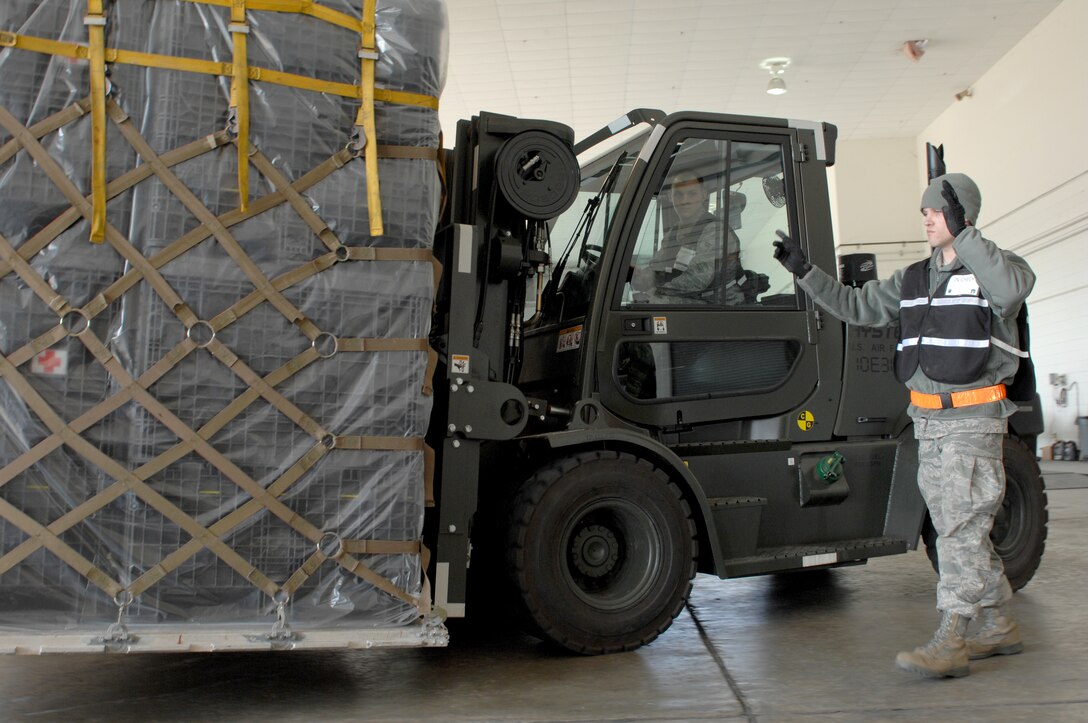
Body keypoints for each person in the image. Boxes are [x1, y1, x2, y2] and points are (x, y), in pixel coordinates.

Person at [772, 173, 1035, 679]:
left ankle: (952, 637)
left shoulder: (997, 270)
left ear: (961, 215)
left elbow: (1013, 292)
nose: (928, 219)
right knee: (959, 529)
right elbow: (856, 306)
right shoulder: (914, 279)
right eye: (925, 212)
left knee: (960, 529)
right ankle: (998, 622)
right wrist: (805, 272)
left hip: (972, 421)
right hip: (927, 423)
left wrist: (968, 237)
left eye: (937, 211)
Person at [630, 171, 750, 305]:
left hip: (721, 308)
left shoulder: (715, 231)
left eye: (691, 194)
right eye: (678, 194)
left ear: (703, 195)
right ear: (670, 197)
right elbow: (658, 269)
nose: (684, 200)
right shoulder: (673, 234)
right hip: (692, 303)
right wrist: (637, 277)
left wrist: (657, 293)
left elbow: (697, 279)